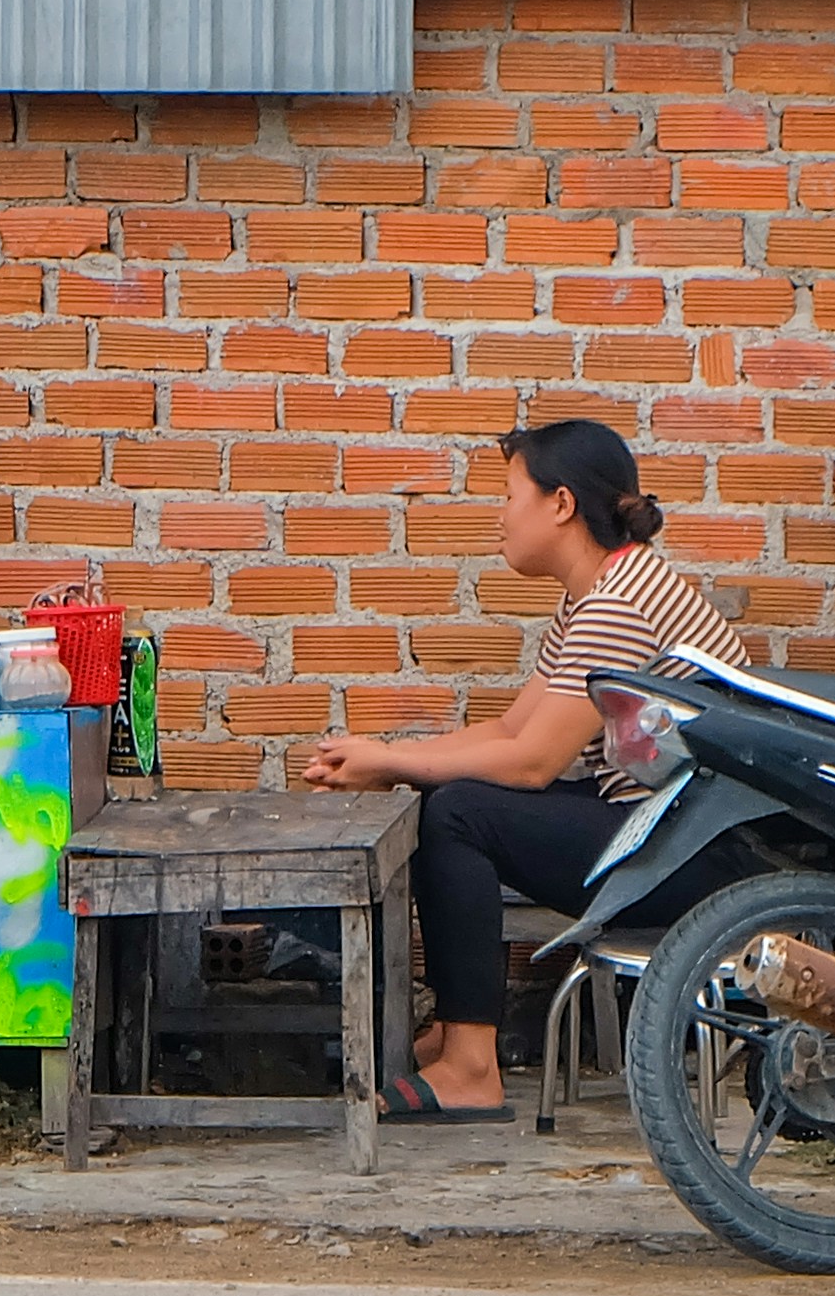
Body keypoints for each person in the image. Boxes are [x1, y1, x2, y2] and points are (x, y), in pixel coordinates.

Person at [300, 419, 745, 1120]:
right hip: (667, 832)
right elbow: (513, 729)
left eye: (510, 495)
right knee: (448, 796)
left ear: (560, 504)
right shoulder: (596, 591)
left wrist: (390, 760)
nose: (500, 515)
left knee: (460, 813)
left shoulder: (620, 601)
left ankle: (473, 1067)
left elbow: (535, 762)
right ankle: (457, 1035)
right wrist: (390, 760)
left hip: (694, 851)